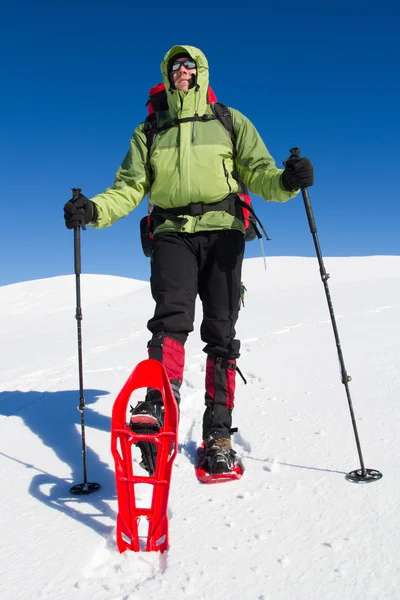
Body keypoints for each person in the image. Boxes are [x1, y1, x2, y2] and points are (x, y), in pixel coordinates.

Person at [63, 45, 314, 475]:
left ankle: (218, 433)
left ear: (202, 72)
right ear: (167, 73)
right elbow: (129, 186)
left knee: (221, 331)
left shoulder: (229, 121)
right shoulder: (149, 129)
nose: (184, 71)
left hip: (224, 232)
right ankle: (158, 411)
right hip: (172, 233)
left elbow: (259, 171)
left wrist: (287, 181)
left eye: (190, 64)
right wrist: (95, 209)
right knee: (171, 320)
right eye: (176, 65)